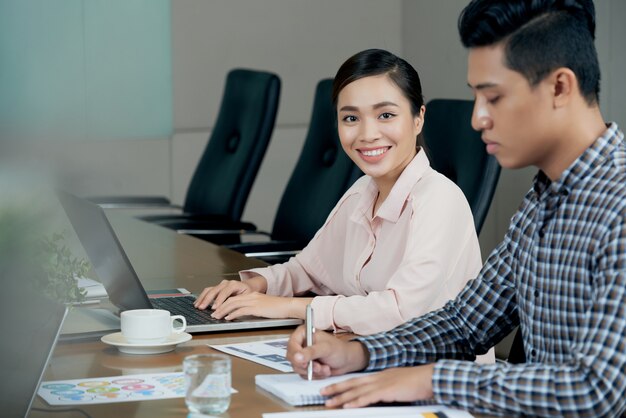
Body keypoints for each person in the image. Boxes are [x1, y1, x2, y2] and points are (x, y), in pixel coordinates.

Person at [286, 0, 626, 416]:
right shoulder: (542, 202)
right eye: (476, 97)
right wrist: (360, 354)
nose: (478, 118)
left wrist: (429, 379)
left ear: (560, 87)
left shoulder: (619, 204)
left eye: (494, 97)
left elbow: (597, 390)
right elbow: (465, 323)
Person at [194, 49, 484, 339]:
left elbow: (399, 311)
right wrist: (258, 286)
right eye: (350, 118)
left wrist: (288, 307)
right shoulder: (362, 193)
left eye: (386, 115)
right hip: (368, 357)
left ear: (418, 118)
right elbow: (308, 270)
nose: (367, 133)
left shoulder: (440, 200)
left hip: (436, 375)